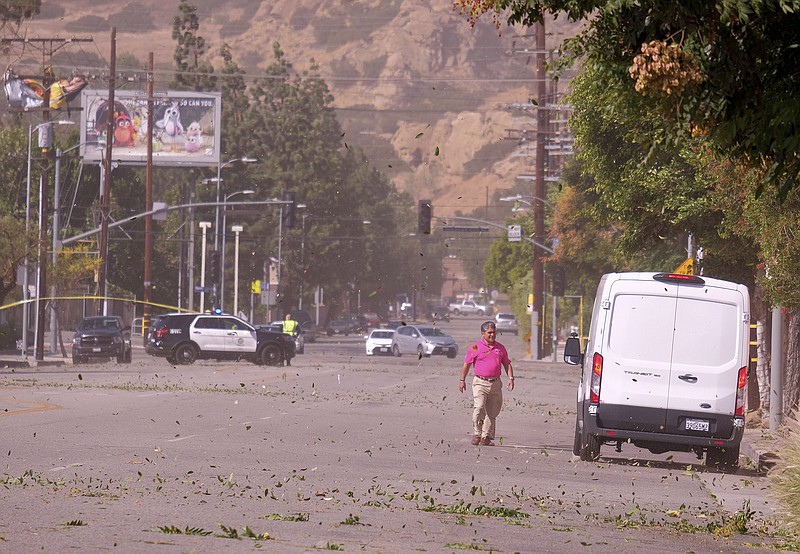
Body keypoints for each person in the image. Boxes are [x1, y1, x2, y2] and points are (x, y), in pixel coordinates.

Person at [458, 320, 514, 446]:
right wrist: (462, 380)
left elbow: (507, 363)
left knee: (492, 412)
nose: (492, 335)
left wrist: (511, 378)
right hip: (480, 383)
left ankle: (486, 437)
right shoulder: (475, 347)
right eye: (489, 333)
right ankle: (477, 434)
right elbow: (466, 364)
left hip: (495, 383)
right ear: (483, 333)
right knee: (479, 408)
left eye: (494, 333)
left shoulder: (500, 348)